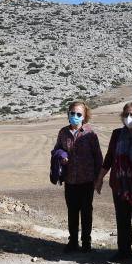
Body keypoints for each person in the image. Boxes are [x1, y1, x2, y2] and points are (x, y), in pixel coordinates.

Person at [95, 102, 132, 264]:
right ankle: (123, 251)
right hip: (119, 184)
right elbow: (109, 158)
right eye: (126, 114)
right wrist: (100, 178)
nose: (129, 118)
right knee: (122, 219)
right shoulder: (116, 134)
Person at [54, 100, 103, 253]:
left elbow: (98, 157)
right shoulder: (63, 132)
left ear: (84, 116)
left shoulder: (90, 134)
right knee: (72, 211)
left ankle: (86, 242)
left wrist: (98, 178)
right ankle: (73, 241)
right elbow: (56, 150)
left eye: (78, 114)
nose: (75, 116)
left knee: (86, 212)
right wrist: (61, 154)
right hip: (70, 180)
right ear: (68, 114)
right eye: (72, 113)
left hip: (87, 180)